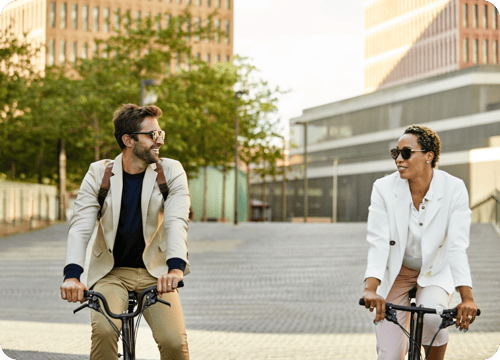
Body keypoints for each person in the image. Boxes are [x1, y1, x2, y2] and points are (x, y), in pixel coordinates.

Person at [60, 103, 190, 360]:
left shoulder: (171, 171)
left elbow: (177, 221)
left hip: (157, 274)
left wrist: (175, 269)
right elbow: (81, 225)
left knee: (174, 342)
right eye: (152, 135)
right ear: (128, 140)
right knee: (105, 334)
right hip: (111, 273)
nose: (159, 141)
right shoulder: (99, 173)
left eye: (160, 133)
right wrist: (72, 275)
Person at [362, 125, 478, 360]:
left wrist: (467, 298)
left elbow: (456, 246)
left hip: (436, 270)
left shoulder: (454, 188)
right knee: (390, 354)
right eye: (396, 153)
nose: (398, 160)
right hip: (397, 272)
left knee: (433, 320)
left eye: (406, 153)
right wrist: (370, 289)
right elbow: (379, 242)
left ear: (429, 156)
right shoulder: (383, 188)